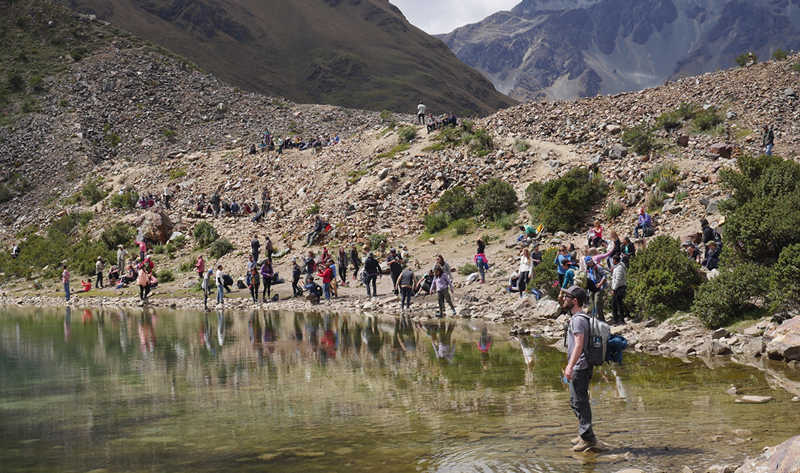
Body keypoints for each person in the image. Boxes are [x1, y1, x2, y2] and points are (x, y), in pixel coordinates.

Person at [562, 285, 599, 452]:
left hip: (580, 367)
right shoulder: (580, 317)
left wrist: (570, 366)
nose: (563, 299)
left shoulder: (578, 319)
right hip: (580, 366)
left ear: (574, 301)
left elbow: (578, 346)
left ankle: (588, 438)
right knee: (574, 401)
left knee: (580, 402)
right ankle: (584, 433)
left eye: (566, 297)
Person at [585, 257, 607, 321]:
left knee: (597, 302)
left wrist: (600, 284)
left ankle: (601, 318)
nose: (591, 263)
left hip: (599, 287)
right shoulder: (588, 269)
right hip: (592, 288)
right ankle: (596, 317)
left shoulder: (598, 267)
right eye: (589, 262)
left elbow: (605, 276)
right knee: (593, 303)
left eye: (591, 261)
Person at [611, 254, 627, 325]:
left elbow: (618, 279)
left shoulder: (619, 268)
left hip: (619, 288)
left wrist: (614, 289)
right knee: (614, 304)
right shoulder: (616, 267)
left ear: (615, 260)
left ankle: (621, 319)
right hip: (617, 288)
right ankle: (615, 319)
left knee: (618, 304)